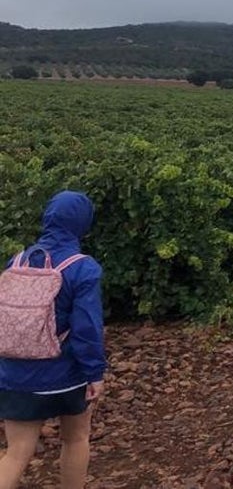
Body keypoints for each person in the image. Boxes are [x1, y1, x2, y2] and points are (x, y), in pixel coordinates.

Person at [0, 191, 106, 489]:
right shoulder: (82, 267)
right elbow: (87, 329)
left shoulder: (18, 260)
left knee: (15, 454)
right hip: (65, 375)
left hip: (15, 374)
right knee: (76, 439)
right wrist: (94, 373)